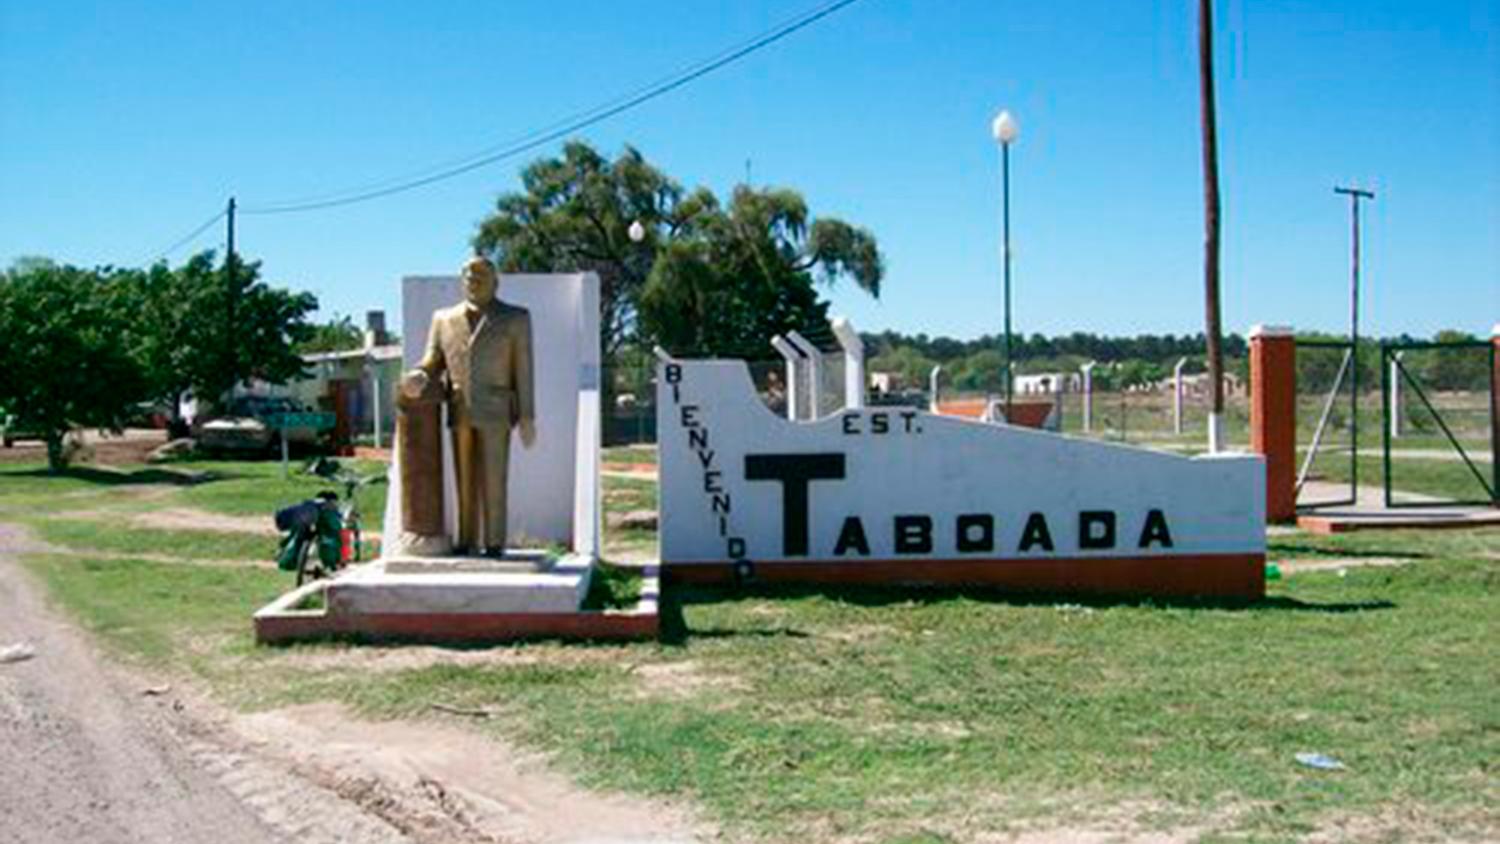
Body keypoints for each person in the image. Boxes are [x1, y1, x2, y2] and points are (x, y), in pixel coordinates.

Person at [403, 256, 535, 556]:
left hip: (497, 408)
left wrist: (527, 415)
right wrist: (420, 374)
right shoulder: (443, 319)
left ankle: (493, 542)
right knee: (464, 479)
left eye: (481, 277)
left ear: (495, 282)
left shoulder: (515, 318)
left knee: (494, 478)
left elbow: (523, 369)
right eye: (469, 278)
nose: (474, 283)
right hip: (459, 407)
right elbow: (433, 359)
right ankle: (466, 539)